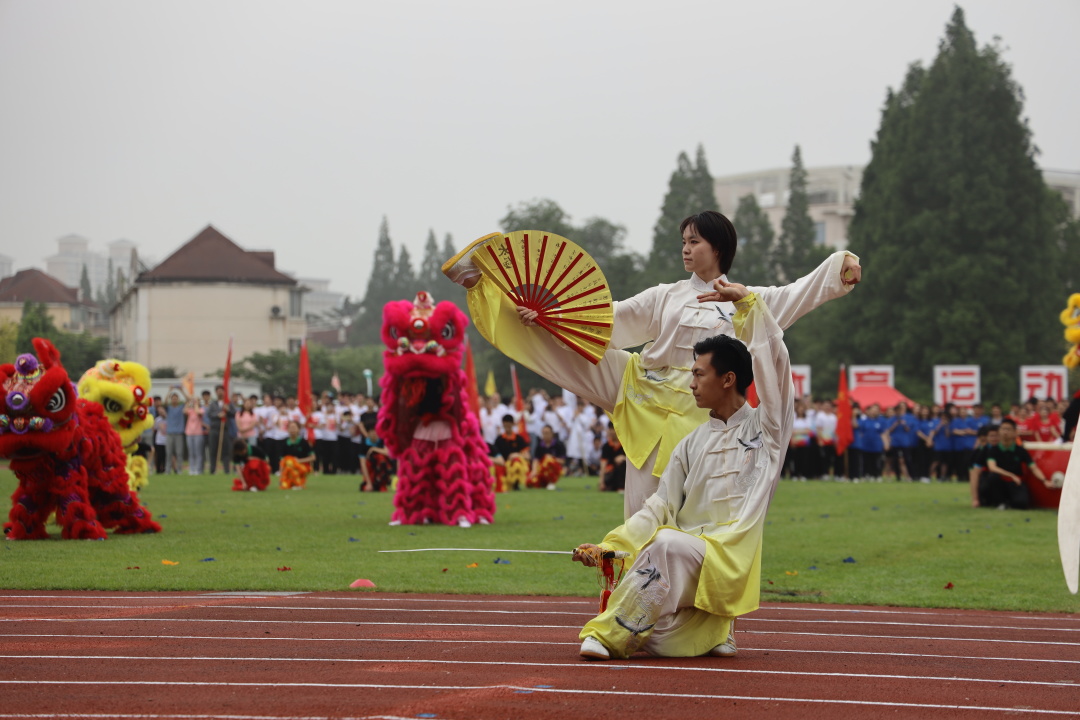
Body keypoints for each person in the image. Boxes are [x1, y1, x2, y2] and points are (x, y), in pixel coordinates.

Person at [443, 210, 860, 518]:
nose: (685, 247)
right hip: (643, 388)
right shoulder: (668, 294)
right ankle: (487, 285)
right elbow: (609, 320)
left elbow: (801, 291)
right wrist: (553, 317)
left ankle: (702, 618)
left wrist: (840, 267)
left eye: (695, 241)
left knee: (699, 514)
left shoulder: (749, 299)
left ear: (718, 247)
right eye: (683, 240)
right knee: (575, 351)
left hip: (703, 413)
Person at [572, 281, 792, 660]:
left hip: (728, 560)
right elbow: (659, 506)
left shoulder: (769, 429)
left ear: (728, 379)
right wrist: (611, 546)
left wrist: (749, 307)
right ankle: (712, 630)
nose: (689, 385)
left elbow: (775, 367)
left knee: (668, 543)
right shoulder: (692, 442)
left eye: (698, 375)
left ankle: (607, 635)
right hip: (690, 561)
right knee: (661, 641)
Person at [983, 418, 1052, 509]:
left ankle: (1009, 502)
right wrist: (1011, 475)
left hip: (1015, 482)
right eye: (1003, 429)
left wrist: (1044, 480)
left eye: (1008, 429)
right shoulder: (993, 449)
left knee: (1022, 503)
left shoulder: (1021, 450)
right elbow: (992, 467)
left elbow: (1033, 467)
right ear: (999, 431)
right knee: (993, 477)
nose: (1005, 432)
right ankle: (1000, 502)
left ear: (1015, 432)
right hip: (1000, 482)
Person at [529, 424, 566, 489]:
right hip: (541, 468)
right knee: (530, 482)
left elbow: (562, 461)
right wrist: (534, 470)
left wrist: (551, 458)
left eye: (547, 433)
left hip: (555, 469)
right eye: (543, 433)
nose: (545, 435)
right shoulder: (539, 445)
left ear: (552, 433)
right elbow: (536, 460)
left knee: (548, 460)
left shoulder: (559, 444)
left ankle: (551, 481)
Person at [184, 394, 207, 475]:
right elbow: (184, 411)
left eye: (196, 401)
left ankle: (198, 469)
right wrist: (189, 401)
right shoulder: (190, 410)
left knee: (198, 452)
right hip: (189, 433)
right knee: (191, 452)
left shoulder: (201, 409)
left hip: (198, 433)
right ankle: (192, 469)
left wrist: (196, 403)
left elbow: (198, 412)